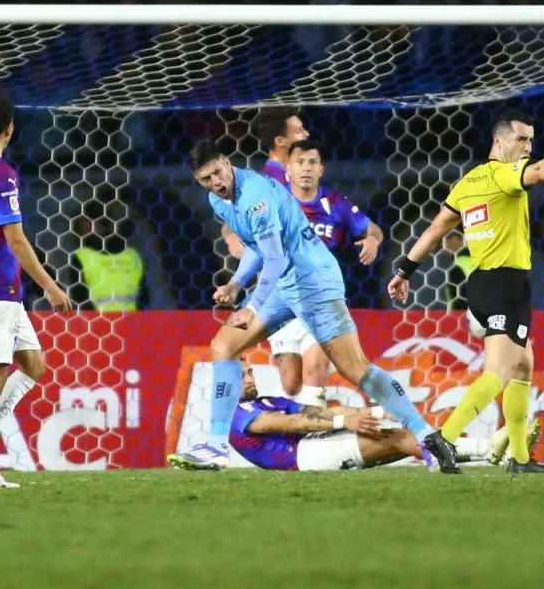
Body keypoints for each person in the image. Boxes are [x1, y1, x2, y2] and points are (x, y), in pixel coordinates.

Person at [166, 139, 459, 473]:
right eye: (206, 179)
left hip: (313, 280)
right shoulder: (218, 201)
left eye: (218, 173)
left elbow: (275, 257)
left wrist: (252, 303)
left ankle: (428, 437)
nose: (216, 183)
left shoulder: (255, 195)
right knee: (223, 346)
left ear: (228, 163)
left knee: (355, 369)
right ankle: (217, 447)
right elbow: (257, 248)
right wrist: (235, 283)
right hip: (283, 284)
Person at [388, 109, 544, 474]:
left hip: (482, 286)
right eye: (521, 139)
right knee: (499, 371)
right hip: (504, 285)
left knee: (523, 366)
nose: (528, 146)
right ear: (499, 141)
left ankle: (519, 457)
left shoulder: (468, 182)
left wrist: (405, 270)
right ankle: (444, 437)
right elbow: (538, 171)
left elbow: (436, 229)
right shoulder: (504, 174)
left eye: (531, 139)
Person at [0, 89, 73, 488]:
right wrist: (52, 287)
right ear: (10, 128)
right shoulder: (1, 173)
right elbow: (16, 239)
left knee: (34, 367)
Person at [218, 362, 539, 472]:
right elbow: (289, 423)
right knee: (394, 438)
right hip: (304, 459)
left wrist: (369, 412)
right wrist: (346, 423)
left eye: (249, 372)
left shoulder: (266, 400)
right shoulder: (236, 416)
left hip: (311, 446)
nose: (251, 378)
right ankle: (487, 449)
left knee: (391, 431)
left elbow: (313, 412)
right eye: (242, 376)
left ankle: (490, 451)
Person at [271, 139, 385, 407]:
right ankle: (289, 424)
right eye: (300, 162)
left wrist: (372, 240)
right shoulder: (274, 199)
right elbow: (233, 222)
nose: (306, 168)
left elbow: (373, 229)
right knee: (290, 383)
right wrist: (232, 237)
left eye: (312, 163)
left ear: (321, 169)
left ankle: (311, 439)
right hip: (281, 300)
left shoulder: (335, 203)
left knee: (314, 371)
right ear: (288, 168)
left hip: (321, 300)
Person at [220, 107, 309, 259]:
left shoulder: (300, 173)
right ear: (280, 141)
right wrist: (232, 238)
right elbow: (234, 220)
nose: (307, 134)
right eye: (300, 130)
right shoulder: (270, 181)